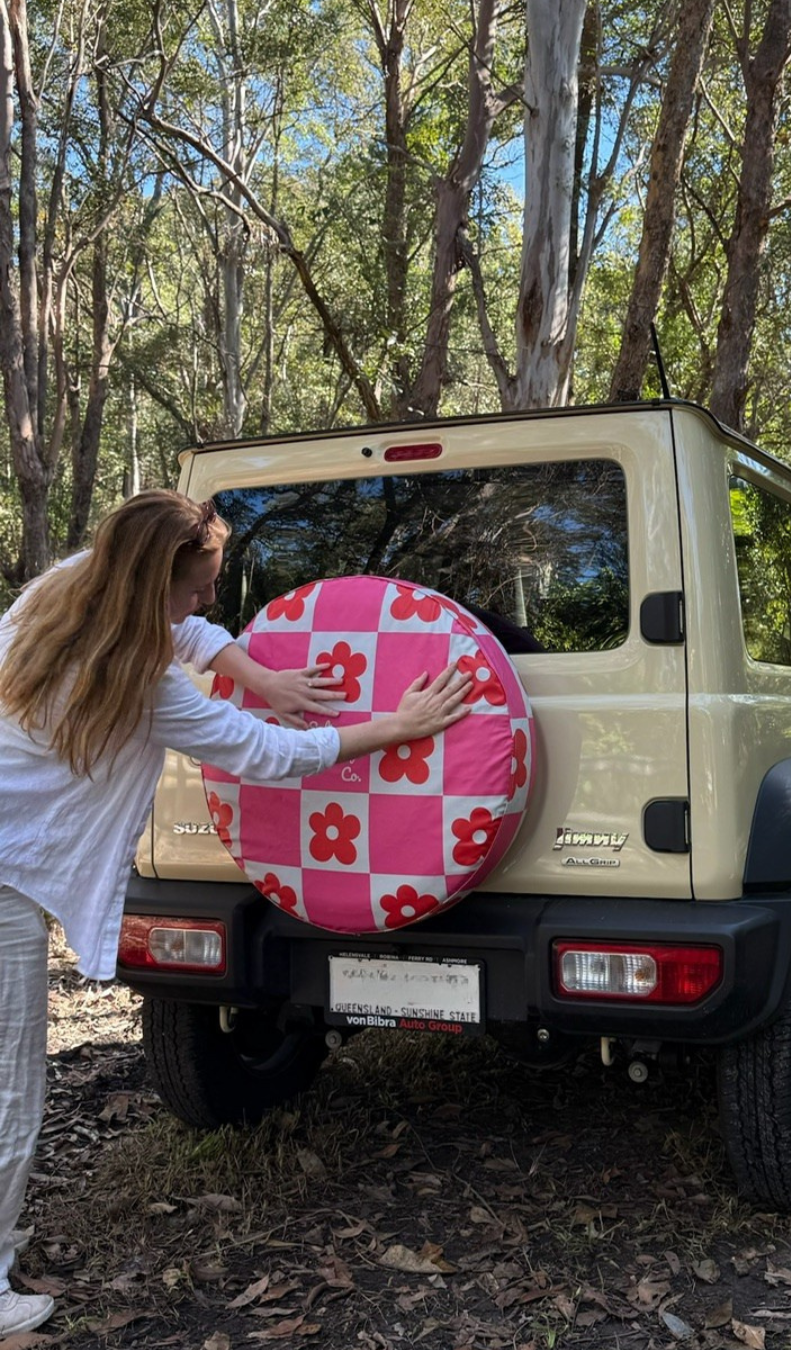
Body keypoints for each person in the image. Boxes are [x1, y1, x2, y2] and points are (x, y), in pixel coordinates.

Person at [0, 490, 471, 1337]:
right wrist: (393, 726)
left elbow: (188, 633)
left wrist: (252, 671)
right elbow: (264, 752)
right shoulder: (137, 682)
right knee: (10, 1092)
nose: (210, 603)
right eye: (199, 586)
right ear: (153, 582)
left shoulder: (66, 591)